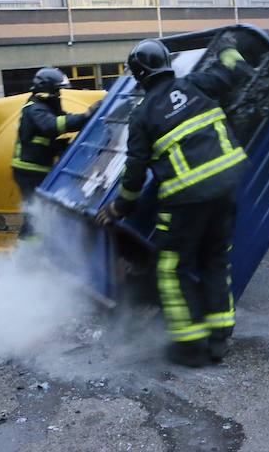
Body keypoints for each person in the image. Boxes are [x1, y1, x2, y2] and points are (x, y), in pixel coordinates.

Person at [96, 35, 250, 368]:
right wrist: (227, 46)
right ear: (166, 64)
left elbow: (134, 174)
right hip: (226, 184)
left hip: (187, 196)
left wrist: (117, 209)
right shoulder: (197, 84)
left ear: (139, 76)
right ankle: (220, 338)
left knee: (171, 269)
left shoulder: (142, 115)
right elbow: (238, 71)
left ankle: (190, 347)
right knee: (215, 259)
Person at [12, 67, 98, 238]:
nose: (59, 94)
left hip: (36, 167)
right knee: (35, 216)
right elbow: (53, 125)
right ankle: (29, 254)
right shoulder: (35, 109)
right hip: (29, 171)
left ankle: (39, 247)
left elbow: (63, 119)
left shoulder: (44, 106)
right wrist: (86, 115)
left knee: (41, 213)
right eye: (57, 90)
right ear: (48, 89)